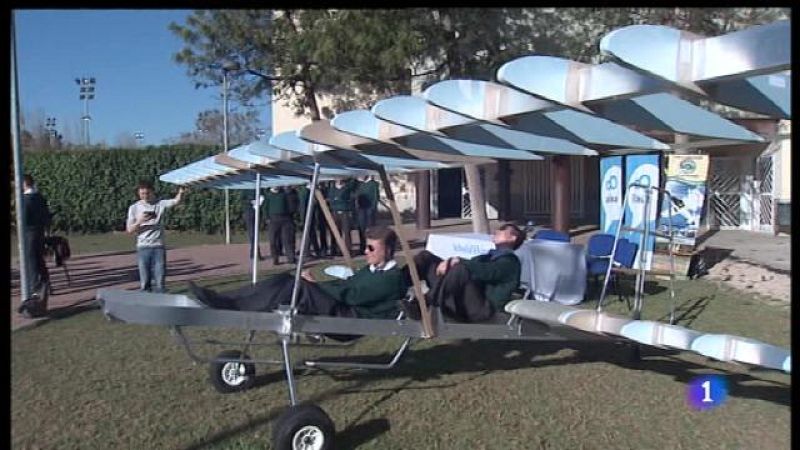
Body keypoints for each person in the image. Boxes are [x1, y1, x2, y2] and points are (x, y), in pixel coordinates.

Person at [187, 226, 408, 323]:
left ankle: (231, 304)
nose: (365, 252)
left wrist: (316, 285)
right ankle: (226, 298)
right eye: (366, 247)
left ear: (388, 250)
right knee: (288, 278)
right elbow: (348, 286)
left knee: (296, 285)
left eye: (371, 248)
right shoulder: (371, 270)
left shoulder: (392, 278)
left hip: (351, 317)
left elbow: (352, 295)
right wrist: (318, 284)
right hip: (341, 306)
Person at [404, 223, 525, 323]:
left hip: (482, 309)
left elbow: (487, 272)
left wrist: (457, 261)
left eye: (503, 230)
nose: (496, 231)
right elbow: (473, 266)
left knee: (461, 269)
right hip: (462, 297)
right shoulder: (486, 256)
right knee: (425, 257)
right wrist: (450, 262)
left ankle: (422, 304)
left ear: (513, 238)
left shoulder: (510, 262)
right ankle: (395, 288)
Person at [126, 181, 185, 293]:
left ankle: (161, 297)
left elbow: (176, 201)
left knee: (160, 278)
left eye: (147, 193)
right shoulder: (134, 207)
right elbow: (129, 230)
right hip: (143, 246)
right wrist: (140, 221)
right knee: (145, 279)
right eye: (142, 194)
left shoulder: (160, 203)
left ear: (152, 192)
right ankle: (146, 298)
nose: (145, 196)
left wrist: (181, 192)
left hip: (158, 246)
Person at [17, 174, 52, 318]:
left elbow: (23, 219)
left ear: (24, 184)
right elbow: (47, 216)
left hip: (30, 234)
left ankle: (35, 293)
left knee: (31, 263)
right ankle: (44, 286)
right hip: (39, 234)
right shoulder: (40, 197)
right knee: (39, 261)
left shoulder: (25, 200)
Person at [264, 186, 296, 266]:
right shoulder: (268, 195)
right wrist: (267, 218)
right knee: (273, 240)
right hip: (273, 219)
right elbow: (265, 208)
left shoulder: (284, 194)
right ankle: (275, 258)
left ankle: (291, 258)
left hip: (285, 219)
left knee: (288, 239)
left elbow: (290, 206)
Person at [327, 177, 357, 257]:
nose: (339, 180)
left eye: (340, 178)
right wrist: (337, 200)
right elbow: (331, 200)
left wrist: (339, 200)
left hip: (345, 212)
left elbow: (347, 200)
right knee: (335, 232)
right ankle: (335, 250)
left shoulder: (347, 188)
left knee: (346, 232)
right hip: (335, 212)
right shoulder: (332, 189)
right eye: (337, 178)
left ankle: (348, 251)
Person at [295, 183, 323, 258]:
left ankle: (315, 251)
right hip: (307, 216)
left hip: (310, 216)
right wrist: (303, 218)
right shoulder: (305, 192)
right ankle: (307, 251)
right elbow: (303, 206)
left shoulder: (308, 191)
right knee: (308, 234)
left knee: (311, 234)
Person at [355, 175, 380, 254]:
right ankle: (362, 246)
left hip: (369, 209)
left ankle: (371, 246)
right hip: (361, 208)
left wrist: (373, 207)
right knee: (361, 228)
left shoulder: (373, 184)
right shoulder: (360, 184)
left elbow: (376, 196)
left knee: (370, 228)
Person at [241, 191, 265, 261]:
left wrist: (260, 201)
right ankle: (255, 253)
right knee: (252, 234)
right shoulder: (245, 189)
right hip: (249, 212)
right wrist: (251, 201)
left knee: (255, 234)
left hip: (258, 212)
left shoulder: (260, 188)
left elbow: (263, 197)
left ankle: (253, 253)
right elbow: (242, 200)